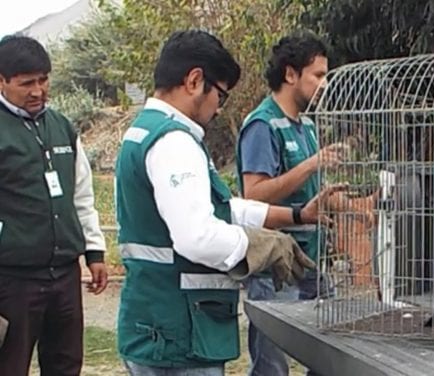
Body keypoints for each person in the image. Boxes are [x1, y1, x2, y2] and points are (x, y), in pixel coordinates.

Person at [114, 29, 340, 376]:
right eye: (220, 95)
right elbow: (197, 236)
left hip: (157, 323)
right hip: (179, 331)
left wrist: (292, 216)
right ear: (194, 80)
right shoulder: (174, 142)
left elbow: (222, 206)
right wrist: (256, 245)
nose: (220, 108)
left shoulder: (146, 130)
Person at [236, 30, 352, 376]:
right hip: (277, 266)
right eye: (318, 75)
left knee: (332, 355)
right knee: (273, 365)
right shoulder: (262, 125)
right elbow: (252, 197)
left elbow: (313, 197)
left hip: (312, 261)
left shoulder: (307, 126)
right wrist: (311, 164)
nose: (325, 84)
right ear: (290, 74)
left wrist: (360, 207)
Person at [0, 35, 109, 376]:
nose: (38, 91)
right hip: (12, 280)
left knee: (66, 366)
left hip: (64, 276)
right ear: (1, 81)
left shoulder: (62, 127)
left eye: (43, 80)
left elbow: (82, 195)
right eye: (26, 83)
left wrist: (94, 252)